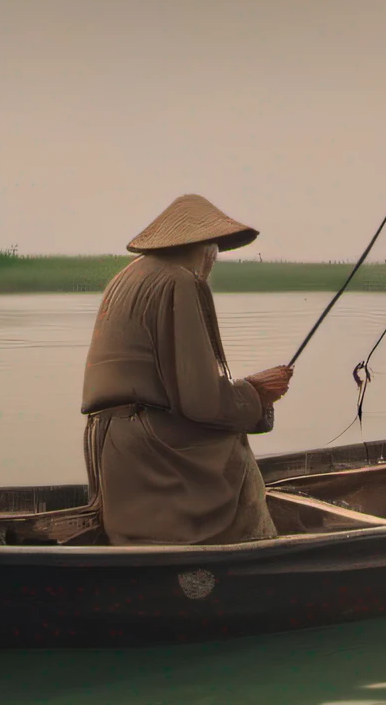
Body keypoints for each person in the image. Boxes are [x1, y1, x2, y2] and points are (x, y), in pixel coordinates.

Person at [81, 194, 294, 545]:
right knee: (233, 448)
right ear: (203, 247)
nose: (215, 257)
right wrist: (256, 395)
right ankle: (253, 545)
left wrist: (250, 391)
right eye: (215, 247)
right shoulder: (180, 282)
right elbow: (201, 402)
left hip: (111, 441)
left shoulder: (125, 277)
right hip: (154, 445)